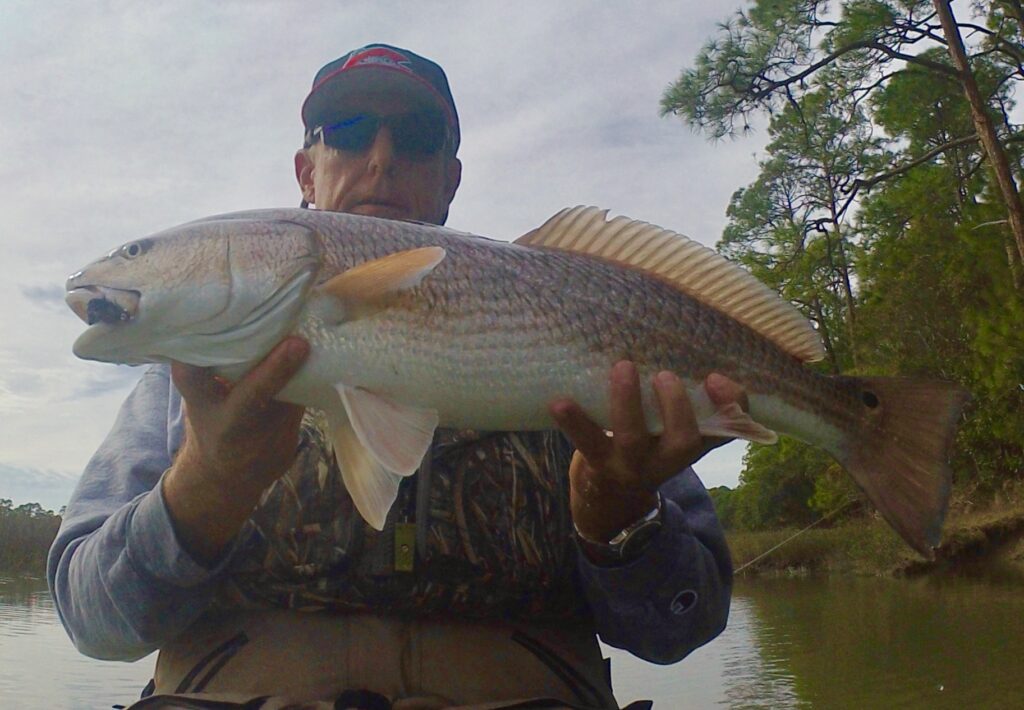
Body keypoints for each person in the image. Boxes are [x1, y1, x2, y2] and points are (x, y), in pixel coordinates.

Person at [48, 44, 738, 709]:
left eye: (415, 135)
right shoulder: (186, 378)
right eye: (347, 131)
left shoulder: (585, 323)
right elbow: (94, 622)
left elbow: (683, 626)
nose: (381, 158)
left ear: (451, 178)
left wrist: (623, 525)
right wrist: (205, 487)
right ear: (305, 173)